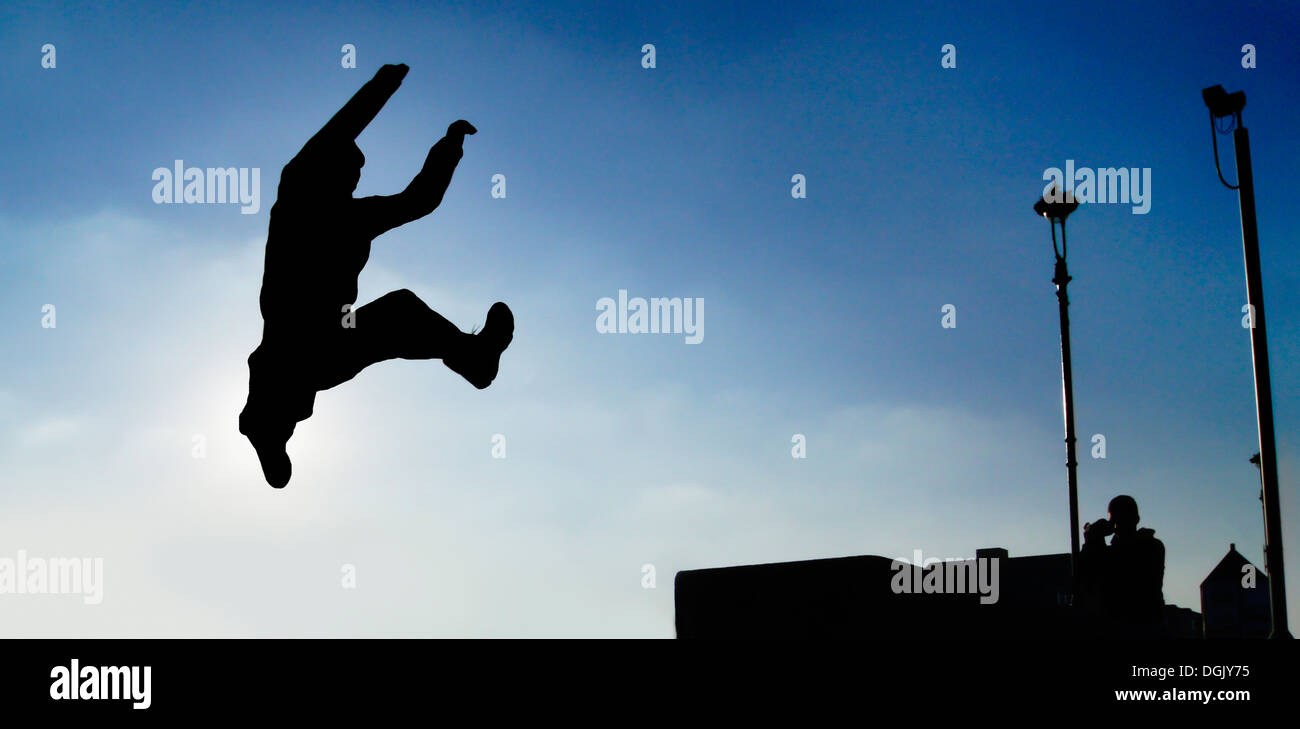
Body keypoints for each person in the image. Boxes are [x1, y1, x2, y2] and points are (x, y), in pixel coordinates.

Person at [238, 63, 513, 488]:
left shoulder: (356, 216)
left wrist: (450, 146)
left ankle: (472, 356)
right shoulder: (296, 190)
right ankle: (266, 430)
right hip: (292, 336)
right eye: (350, 173)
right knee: (283, 366)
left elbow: (418, 200)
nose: (355, 181)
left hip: (332, 338)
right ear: (327, 170)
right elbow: (342, 128)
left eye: (356, 176)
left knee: (400, 309)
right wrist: (384, 84)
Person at [1078, 495, 1166, 636]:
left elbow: (1108, 569)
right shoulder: (1146, 546)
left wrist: (1093, 539)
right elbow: (1085, 574)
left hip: (1139, 625)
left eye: (1117, 521)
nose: (1116, 527)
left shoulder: (1149, 546)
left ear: (1135, 520)